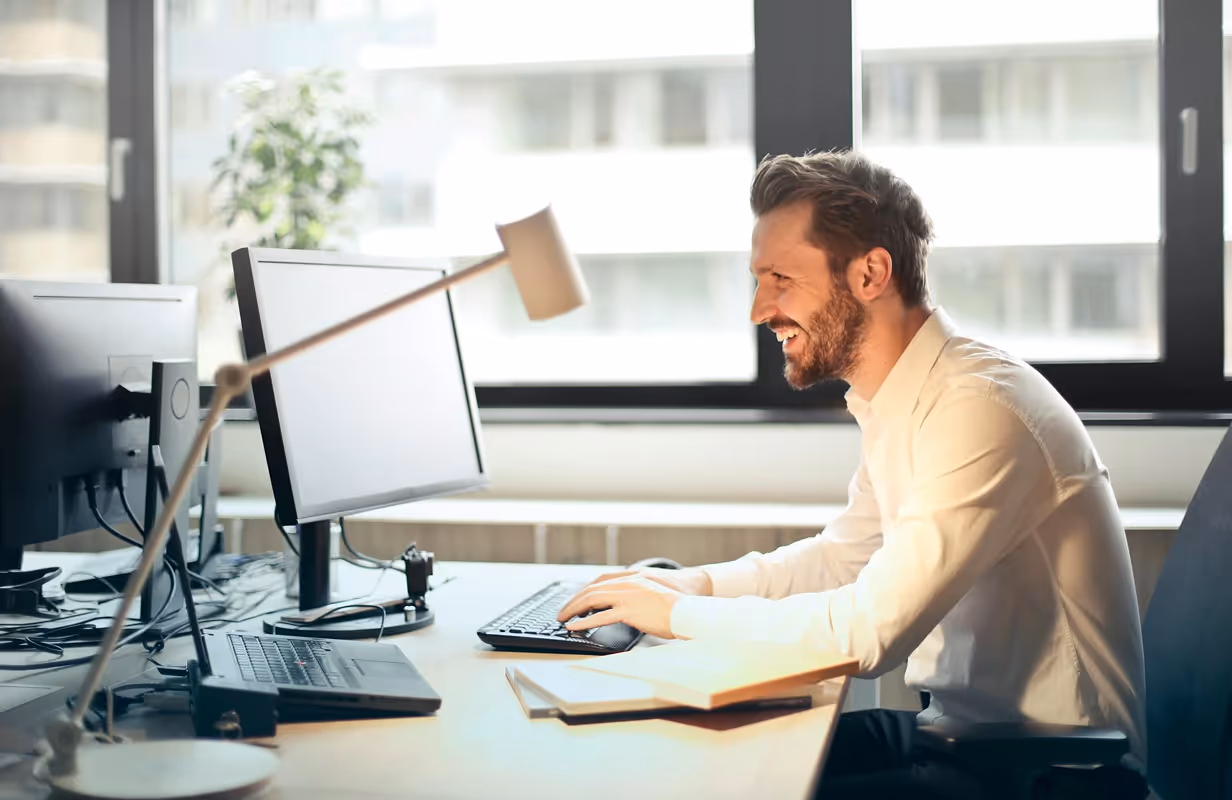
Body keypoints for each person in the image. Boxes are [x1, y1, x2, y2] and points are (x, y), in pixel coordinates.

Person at [557, 151, 1146, 798]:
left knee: (729, 781)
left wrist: (678, 613)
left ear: (871, 273)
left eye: (780, 277)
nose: (759, 309)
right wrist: (693, 585)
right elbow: (843, 559)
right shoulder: (906, 398)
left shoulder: (980, 409)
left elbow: (869, 634)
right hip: (960, 738)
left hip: (1050, 774)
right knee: (695, 752)